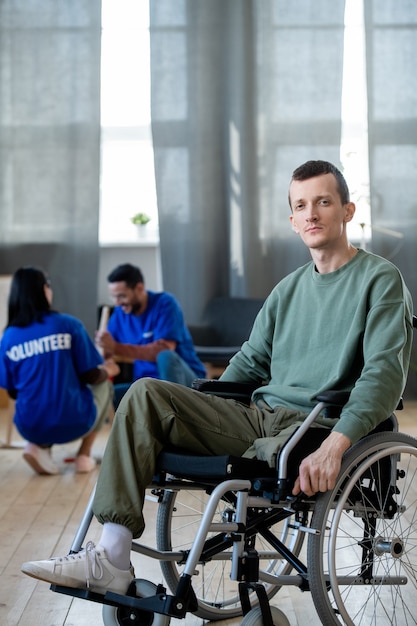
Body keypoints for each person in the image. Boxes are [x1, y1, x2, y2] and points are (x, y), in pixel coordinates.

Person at [21, 160, 413, 595]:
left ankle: (114, 559)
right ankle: (112, 556)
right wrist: (198, 400)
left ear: (347, 210)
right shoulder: (288, 289)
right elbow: (250, 360)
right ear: (292, 220)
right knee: (146, 394)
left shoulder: (380, 280)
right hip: (259, 417)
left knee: (265, 438)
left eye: (323, 201)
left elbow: (383, 376)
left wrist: (335, 446)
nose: (312, 214)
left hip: (317, 426)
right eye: (301, 205)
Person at [0, 266, 119, 474]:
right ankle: (84, 455)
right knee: (104, 384)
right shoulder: (68, 325)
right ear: (43, 290)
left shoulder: (8, 337)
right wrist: (108, 369)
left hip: (29, 426)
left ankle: (38, 445)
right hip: (75, 422)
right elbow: (91, 375)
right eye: (48, 285)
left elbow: (11, 391)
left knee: (40, 396)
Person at [95, 263, 206, 406]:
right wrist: (103, 347)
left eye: (122, 296)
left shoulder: (165, 303)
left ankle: (175, 418)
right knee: (113, 394)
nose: (117, 303)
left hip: (185, 383)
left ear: (139, 288)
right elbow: (108, 353)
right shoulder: (119, 314)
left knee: (166, 356)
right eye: (114, 298)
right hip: (148, 385)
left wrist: (115, 347)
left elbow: (164, 349)